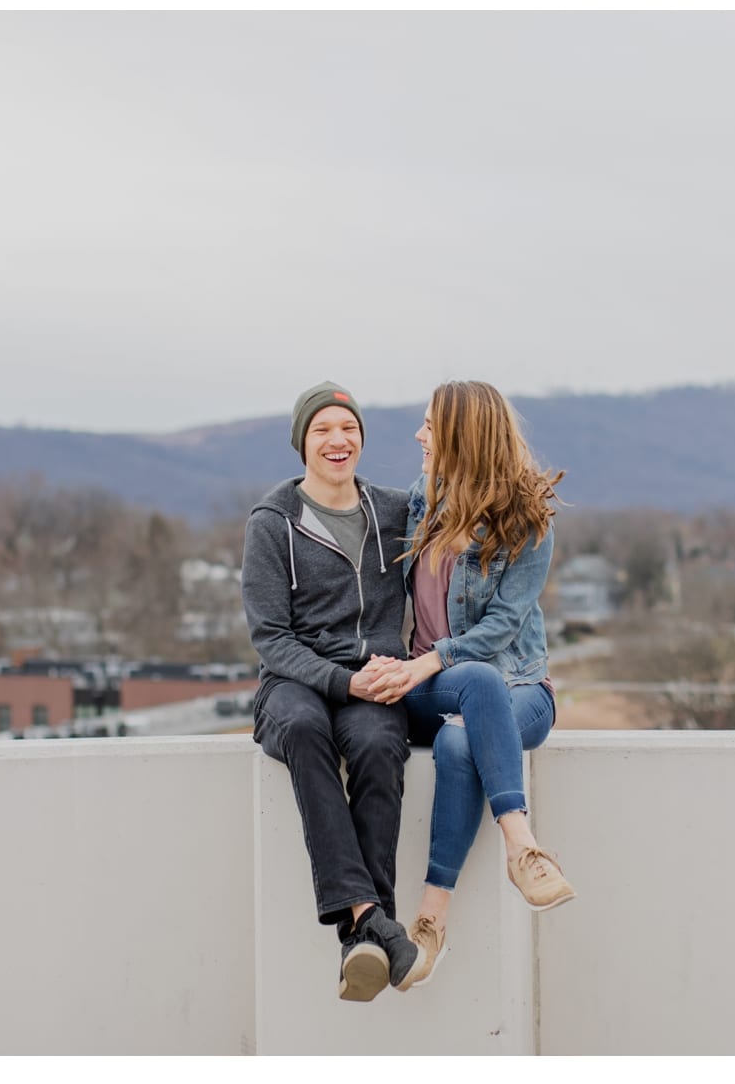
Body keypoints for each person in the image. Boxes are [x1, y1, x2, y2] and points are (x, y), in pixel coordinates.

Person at [361, 379, 574, 989]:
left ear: (461, 434)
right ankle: (523, 846)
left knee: (461, 742)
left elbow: (504, 626)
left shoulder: (528, 521)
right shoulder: (420, 502)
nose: (419, 436)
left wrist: (428, 661)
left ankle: (431, 921)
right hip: (440, 688)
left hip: (519, 688)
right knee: (469, 686)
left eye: (430, 425)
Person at [240, 380, 424, 1002]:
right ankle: (375, 921)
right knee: (302, 727)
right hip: (294, 684)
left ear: (362, 439)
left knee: (377, 744)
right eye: (322, 430)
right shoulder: (272, 524)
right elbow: (271, 638)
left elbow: (468, 512)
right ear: (302, 444)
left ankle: (362, 940)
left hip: (374, 679)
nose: (337, 440)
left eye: (348, 428)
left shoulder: (396, 510)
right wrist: (343, 678)